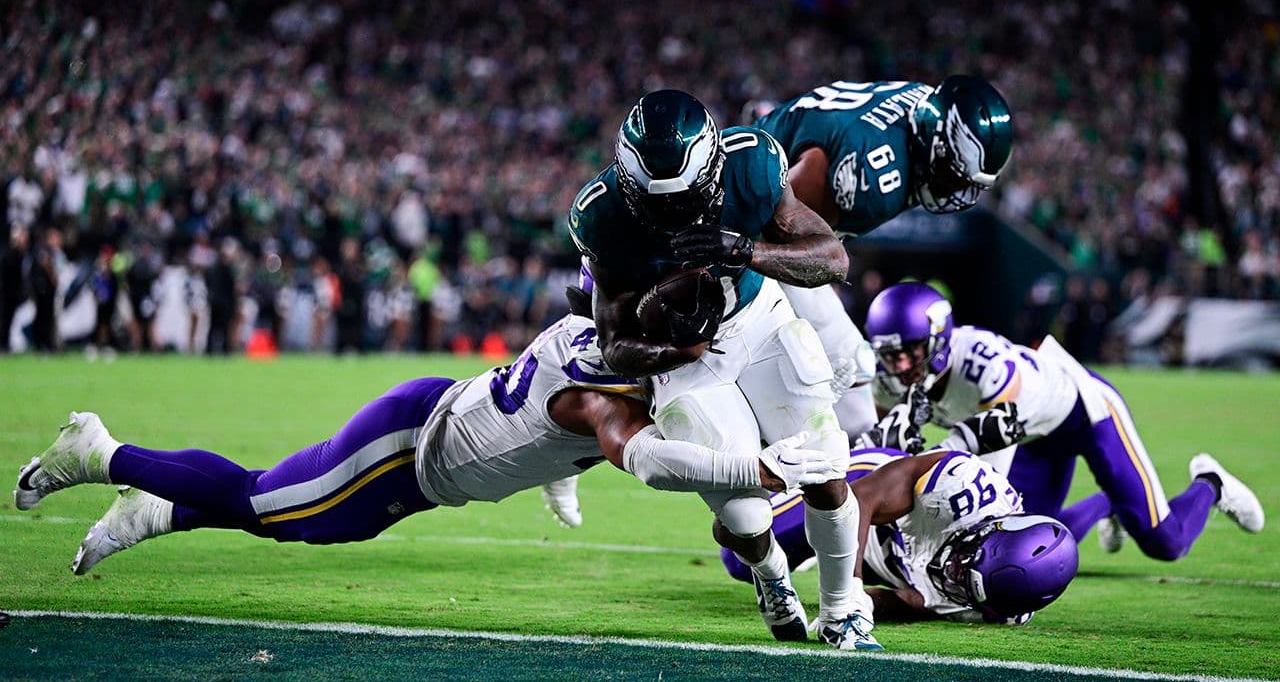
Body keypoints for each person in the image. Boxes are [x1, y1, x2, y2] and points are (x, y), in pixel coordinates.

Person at [14, 313, 840, 588]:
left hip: (435, 427)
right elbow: (648, 458)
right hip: (410, 449)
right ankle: (106, 454)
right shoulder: (606, 398)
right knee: (268, 505)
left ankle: (157, 510)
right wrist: (758, 472)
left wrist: (555, 479)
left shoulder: (593, 345)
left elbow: (550, 428)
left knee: (299, 520)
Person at [568, 90, 873, 650]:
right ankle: (772, 577)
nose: (673, 214)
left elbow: (832, 258)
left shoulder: (752, 164)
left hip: (757, 320)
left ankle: (842, 610)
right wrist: (673, 352)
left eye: (684, 198)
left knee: (825, 467)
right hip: (684, 360)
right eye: (657, 204)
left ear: (712, 169)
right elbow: (614, 344)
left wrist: (748, 251)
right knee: (744, 512)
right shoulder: (604, 215)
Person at [856, 281, 1265, 563]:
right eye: (892, 355)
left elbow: (998, 432)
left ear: (938, 336)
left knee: (1166, 542)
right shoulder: (889, 380)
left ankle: (1211, 483)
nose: (903, 364)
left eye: (911, 350)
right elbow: (877, 453)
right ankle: (1108, 503)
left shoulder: (979, 360)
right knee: (1030, 541)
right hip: (1031, 441)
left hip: (1083, 414)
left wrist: (937, 454)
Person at [751, 77, 1014, 442]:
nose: (958, 193)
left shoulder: (925, 104)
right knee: (847, 363)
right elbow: (773, 226)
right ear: (934, 144)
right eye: (955, 178)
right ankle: (843, 464)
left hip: (773, 182)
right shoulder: (876, 174)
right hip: (751, 233)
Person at [721, 447, 1079, 625]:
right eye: (962, 563)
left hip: (888, 555)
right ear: (986, 532)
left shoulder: (997, 605)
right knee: (740, 547)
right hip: (863, 488)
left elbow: (913, 601)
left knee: (744, 566)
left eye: (963, 586)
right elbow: (861, 500)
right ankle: (774, 454)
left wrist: (869, 608)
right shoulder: (958, 488)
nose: (951, 576)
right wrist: (849, 588)